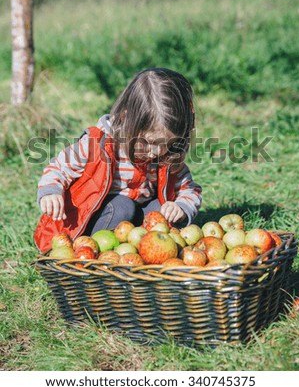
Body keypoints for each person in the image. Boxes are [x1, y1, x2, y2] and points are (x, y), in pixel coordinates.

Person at [34, 68, 202, 253]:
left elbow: (190, 189)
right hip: (97, 219)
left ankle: (146, 253)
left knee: (162, 211)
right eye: (149, 142)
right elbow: (59, 167)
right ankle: (93, 252)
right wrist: (51, 191)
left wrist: (181, 207)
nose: (157, 152)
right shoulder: (97, 145)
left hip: (135, 226)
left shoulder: (167, 156)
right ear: (125, 118)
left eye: (168, 143)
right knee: (122, 206)